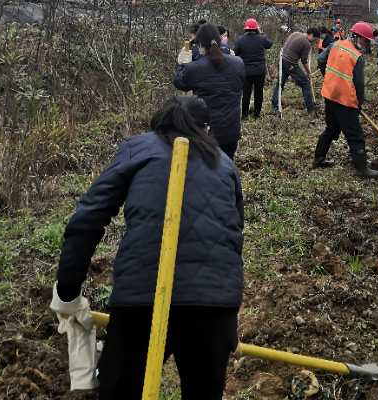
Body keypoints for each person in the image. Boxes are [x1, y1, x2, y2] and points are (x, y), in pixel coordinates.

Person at [53, 95, 244, 400]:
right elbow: (235, 236)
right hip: (212, 306)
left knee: (121, 391)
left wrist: (67, 291)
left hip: (142, 301)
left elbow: (88, 218)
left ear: (159, 124)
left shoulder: (138, 148)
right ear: (207, 128)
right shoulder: (223, 163)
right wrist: (226, 314)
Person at [313, 21, 378, 179]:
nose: (366, 45)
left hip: (329, 94)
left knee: (331, 128)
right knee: (355, 135)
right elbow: (359, 84)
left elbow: (320, 60)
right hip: (345, 101)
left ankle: (319, 158)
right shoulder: (357, 57)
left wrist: (329, 78)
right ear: (357, 37)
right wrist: (359, 103)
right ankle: (362, 169)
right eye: (365, 41)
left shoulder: (335, 45)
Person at [174, 24, 245, 159]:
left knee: (207, 172)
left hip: (206, 134)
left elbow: (179, 83)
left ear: (200, 45)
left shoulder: (194, 68)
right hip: (231, 130)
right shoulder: (238, 63)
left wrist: (183, 64)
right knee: (226, 168)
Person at [271, 27, 319, 114]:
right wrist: (309, 73)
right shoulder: (306, 44)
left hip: (281, 60)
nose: (314, 41)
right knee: (306, 83)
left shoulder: (296, 33)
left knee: (280, 83)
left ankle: (274, 106)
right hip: (290, 63)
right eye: (314, 38)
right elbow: (304, 61)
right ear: (311, 35)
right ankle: (310, 109)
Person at [233, 18, 273, 119]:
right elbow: (269, 44)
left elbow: (236, 52)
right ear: (256, 28)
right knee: (259, 93)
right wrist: (261, 33)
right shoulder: (261, 38)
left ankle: (245, 115)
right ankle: (257, 114)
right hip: (260, 71)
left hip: (246, 71)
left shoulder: (240, 40)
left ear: (245, 28)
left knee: (246, 93)